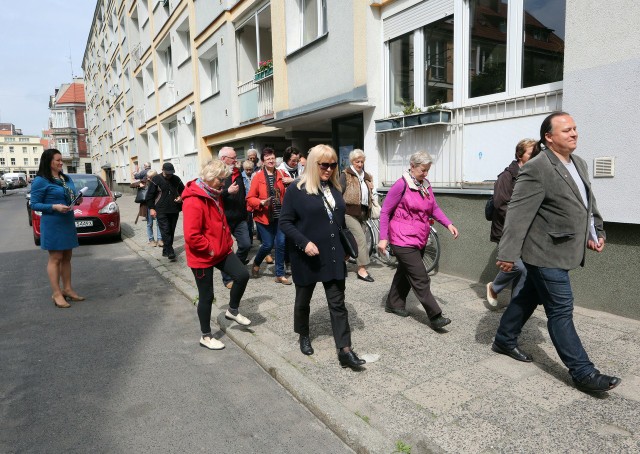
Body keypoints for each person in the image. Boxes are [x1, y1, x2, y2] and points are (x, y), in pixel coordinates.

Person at [492, 112, 621, 393]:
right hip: (544, 253)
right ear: (548, 137)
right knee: (561, 311)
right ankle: (584, 373)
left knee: (528, 296)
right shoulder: (537, 167)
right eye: (566, 130)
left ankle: (504, 338)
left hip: (565, 250)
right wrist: (507, 253)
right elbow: (517, 213)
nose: (574, 133)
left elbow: (587, 203)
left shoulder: (580, 163)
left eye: (575, 128)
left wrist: (595, 232)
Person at [279, 144, 366, 369]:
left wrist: (346, 248)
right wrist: (304, 242)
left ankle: (345, 350)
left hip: (334, 254)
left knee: (338, 303)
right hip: (306, 256)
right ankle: (304, 334)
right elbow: (285, 222)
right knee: (303, 301)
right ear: (312, 164)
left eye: (333, 164)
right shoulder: (296, 190)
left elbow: (338, 222)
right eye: (324, 165)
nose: (328, 169)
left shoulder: (335, 188)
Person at [378, 151, 459, 329]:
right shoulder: (401, 185)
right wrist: (383, 238)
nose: (426, 174)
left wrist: (448, 224)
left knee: (405, 273)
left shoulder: (425, 185)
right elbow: (385, 212)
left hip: (419, 237)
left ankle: (393, 303)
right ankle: (435, 315)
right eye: (423, 170)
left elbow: (434, 208)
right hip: (401, 239)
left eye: (428, 170)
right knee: (420, 277)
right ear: (412, 166)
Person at [182, 160, 251, 350]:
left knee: (242, 275)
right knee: (207, 296)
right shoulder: (194, 200)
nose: (224, 183)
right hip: (202, 255)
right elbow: (192, 236)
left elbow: (220, 220)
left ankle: (232, 310)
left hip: (221, 250)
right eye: (222, 179)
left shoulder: (214, 193)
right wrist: (210, 249)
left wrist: (226, 241)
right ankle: (205, 336)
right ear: (211, 178)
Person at [30, 149, 85, 308]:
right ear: (49, 162)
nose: (61, 163)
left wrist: (77, 200)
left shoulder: (65, 178)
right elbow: (34, 204)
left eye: (61, 160)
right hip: (53, 221)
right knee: (56, 258)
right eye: (58, 160)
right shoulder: (41, 180)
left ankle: (67, 289)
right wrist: (54, 206)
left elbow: (69, 196)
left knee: (67, 257)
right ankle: (56, 293)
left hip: (67, 220)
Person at [485, 139, 536, 306]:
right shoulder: (506, 177)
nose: (535, 156)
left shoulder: (532, 175)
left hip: (526, 231)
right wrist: (521, 220)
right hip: (506, 230)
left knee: (525, 270)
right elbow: (501, 205)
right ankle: (494, 287)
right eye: (531, 153)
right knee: (517, 266)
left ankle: (516, 305)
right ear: (520, 155)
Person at [246, 147, 290, 284]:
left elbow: (293, 186)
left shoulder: (281, 174)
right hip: (263, 216)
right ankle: (257, 263)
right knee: (267, 244)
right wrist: (261, 202)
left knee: (281, 244)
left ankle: (279, 274)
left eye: (272, 158)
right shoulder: (258, 177)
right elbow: (250, 198)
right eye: (268, 159)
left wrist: (291, 182)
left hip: (280, 216)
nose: (271, 161)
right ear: (263, 162)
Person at [339, 149, 375, 282]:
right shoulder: (346, 175)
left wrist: (371, 188)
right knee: (361, 239)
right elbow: (339, 192)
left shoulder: (367, 176)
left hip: (363, 213)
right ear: (351, 162)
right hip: (348, 213)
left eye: (361, 161)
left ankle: (340, 260)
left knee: (353, 241)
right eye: (357, 161)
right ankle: (362, 270)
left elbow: (369, 194)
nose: (359, 164)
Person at [218, 147, 251, 289]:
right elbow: (212, 195)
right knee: (225, 250)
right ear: (223, 159)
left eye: (236, 157)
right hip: (223, 219)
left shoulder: (238, 174)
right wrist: (227, 191)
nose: (236, 160)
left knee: (246, 244)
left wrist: (246, 212)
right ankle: (227, 278)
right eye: (233, 158)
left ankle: (235, 267)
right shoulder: (216, 174)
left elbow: (242, 194)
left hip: (239, 218)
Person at [146, 162, 184, 261]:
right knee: (165, 230)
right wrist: (152, 208)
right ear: (162, 170)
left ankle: (165, 250)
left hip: (174, 209)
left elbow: (183, 191)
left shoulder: (176, 179)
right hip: (160, 209)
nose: (169, 175)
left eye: (171, 173)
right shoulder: (156, 179)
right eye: (167, 173)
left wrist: (181, 197)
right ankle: (170, 251)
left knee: (171, 231)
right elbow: (149, 196)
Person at [241, 159, 256, 242]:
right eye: (247, 169)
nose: (249, 171)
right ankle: (250, 240)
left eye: (250, 169)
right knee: (248, 222)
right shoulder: (241, 177)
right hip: (246, 203)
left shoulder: (254, 176)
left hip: (254, 200)